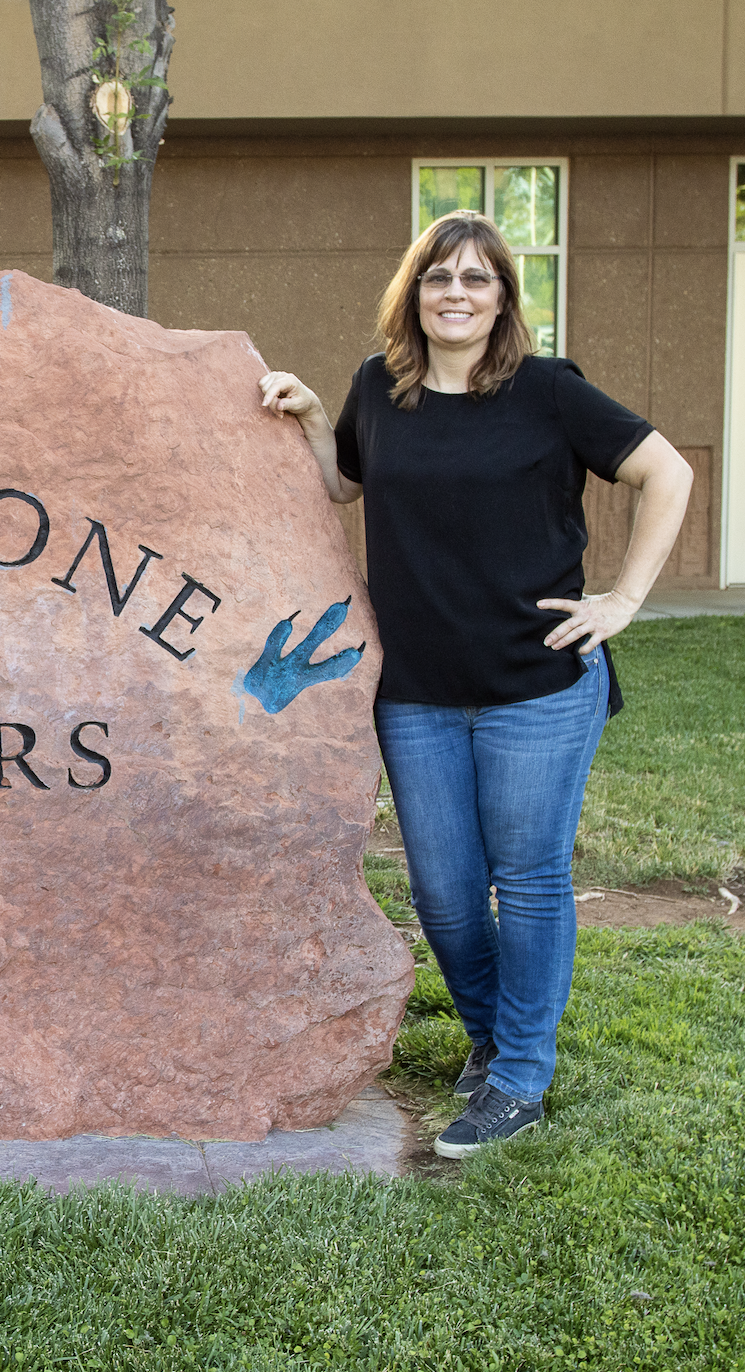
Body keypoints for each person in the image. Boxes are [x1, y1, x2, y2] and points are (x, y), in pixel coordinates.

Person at [258, 210, 691, 1160]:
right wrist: (303, 414)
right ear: (412, 293)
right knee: (447, 895)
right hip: (416, 691)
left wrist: (623, 600)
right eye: (438, 277)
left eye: (477, 279)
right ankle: (495, 1039)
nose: (455, 293)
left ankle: (520, 1079)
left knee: (529, 885)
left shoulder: (549, 393)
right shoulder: (381, 389)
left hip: (535, 685)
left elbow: (665, 471)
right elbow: (347, 487)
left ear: (503, 297)